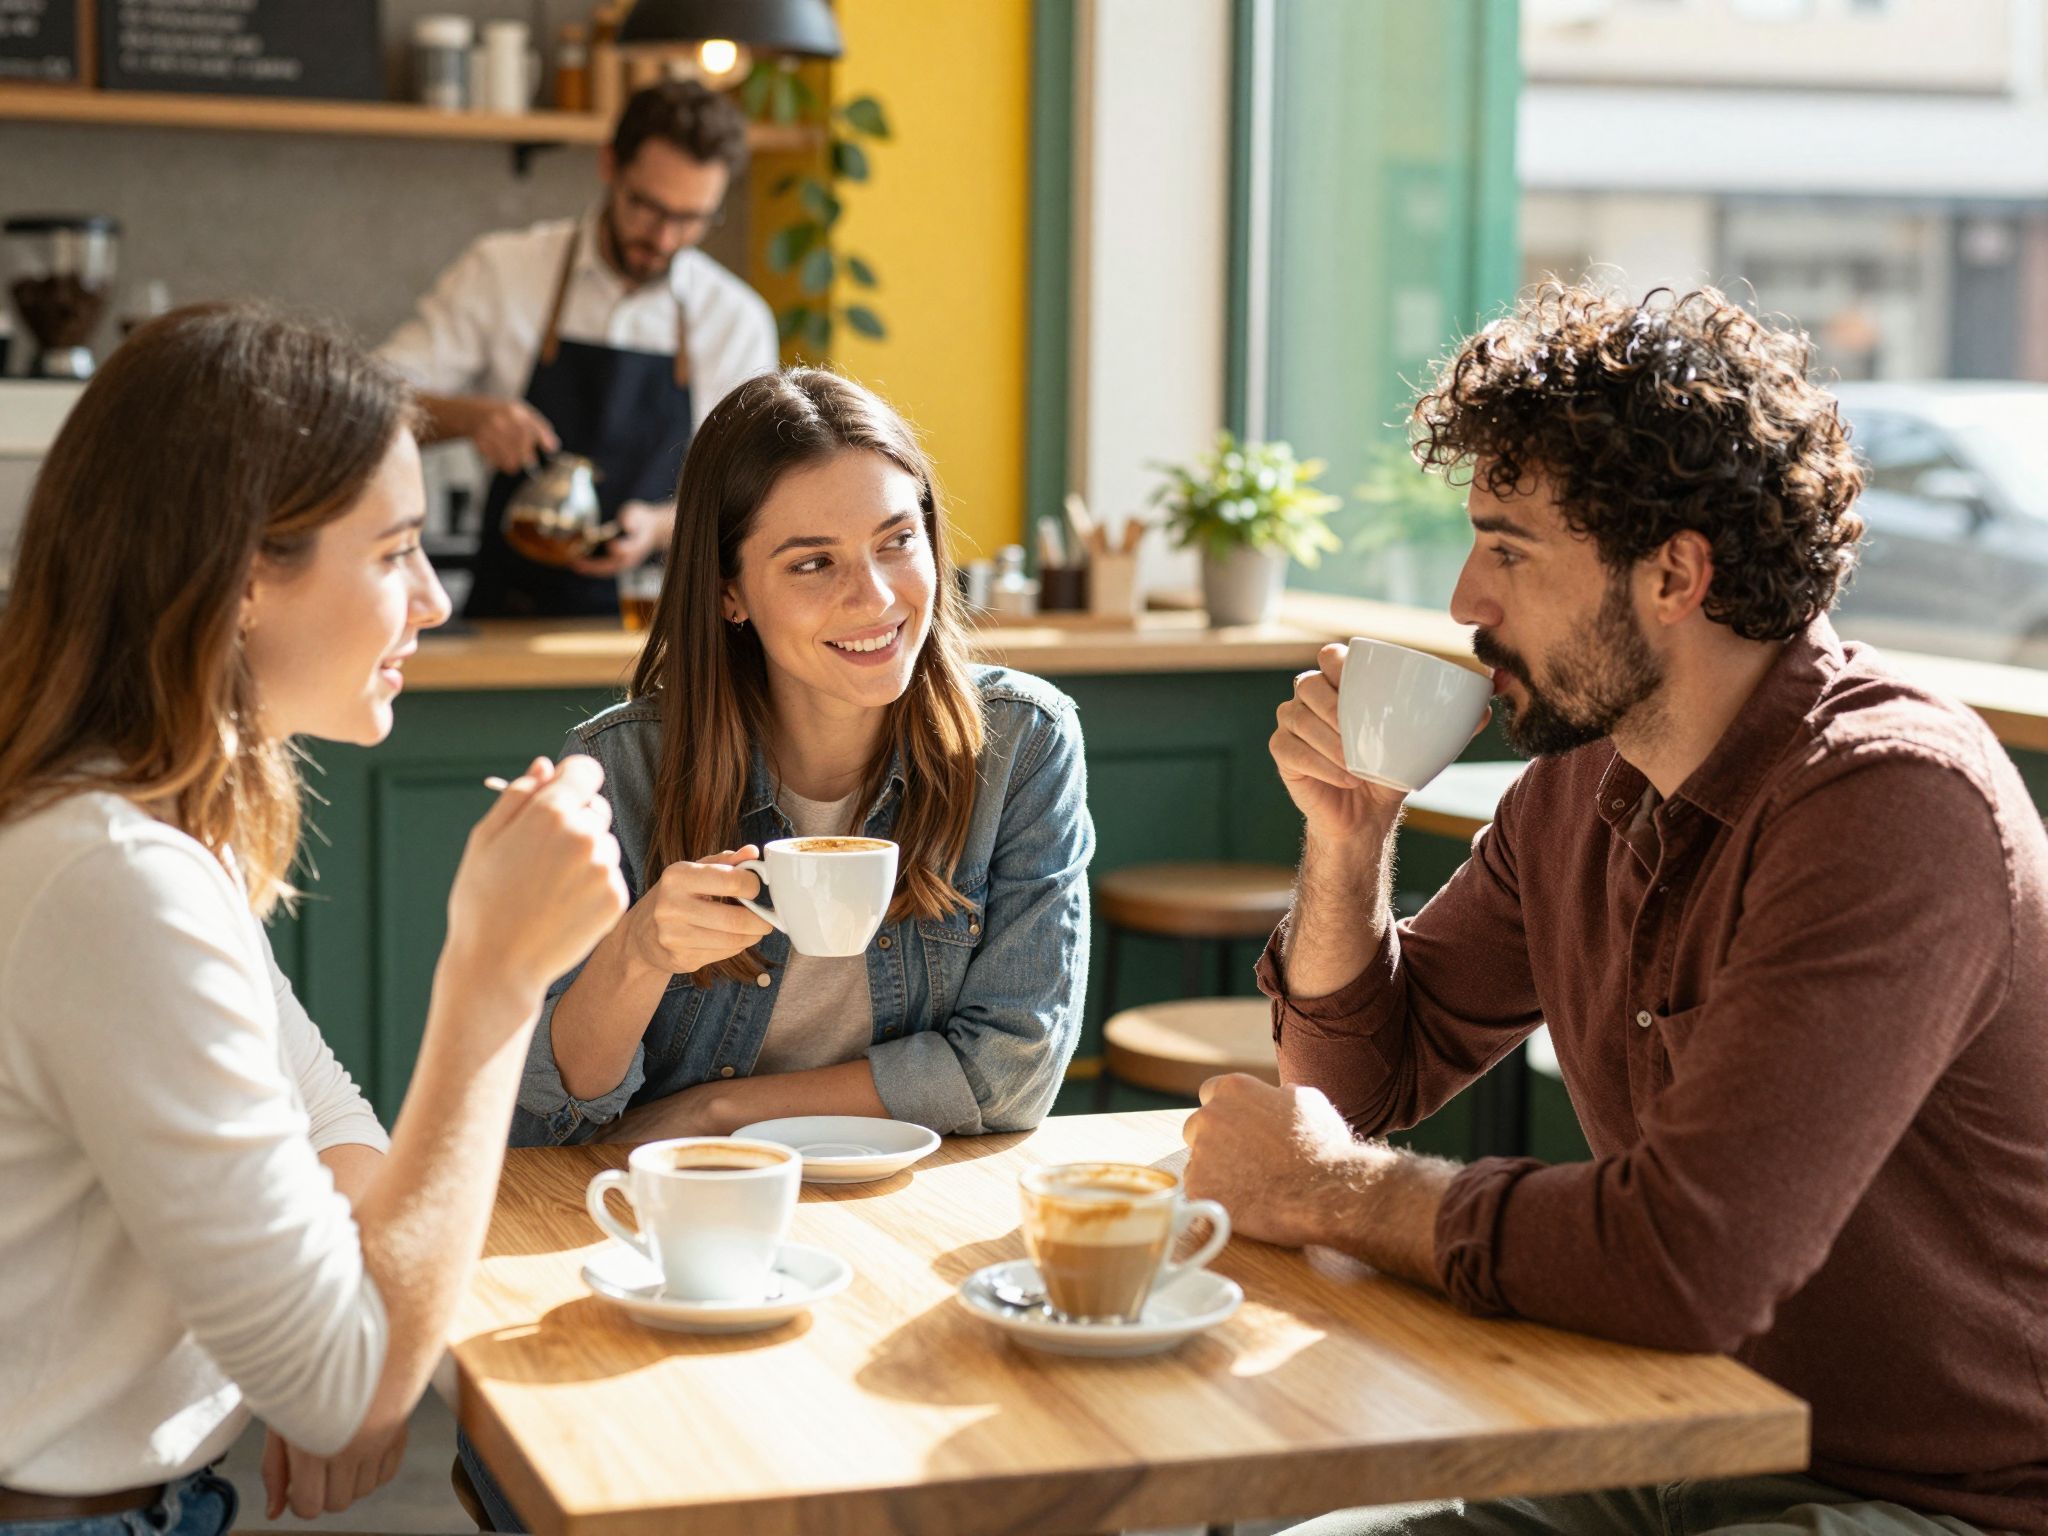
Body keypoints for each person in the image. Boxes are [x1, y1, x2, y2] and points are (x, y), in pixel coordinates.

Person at [1185, 285, 2048, 1536]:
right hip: (1660, 1431)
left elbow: (1684, 1263)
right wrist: (1344, 845)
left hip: (1923, 1499)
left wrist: (1332, 1193)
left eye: (1507, 548)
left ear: (1673, 575)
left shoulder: (1890, 805)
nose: (1463, 602)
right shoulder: (1584, 783)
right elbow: (1360, 1088)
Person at [0, 305, 627, 1535]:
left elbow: (324, 1111)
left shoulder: (149, 825)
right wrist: (496, 980)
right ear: (243, 578)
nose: (435, 602)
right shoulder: (113, 878)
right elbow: (347, 1394)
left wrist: (331, 1320)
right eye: (395, 553)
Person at [516, 367, 1095, 1148]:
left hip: (906, 1202)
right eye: (813, 563)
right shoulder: (620, 767)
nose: (878, 598)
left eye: (897, 541)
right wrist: (640, 951)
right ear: (731, 594)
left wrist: (715, 1113)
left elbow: (1013, 1072)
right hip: (679, 1208)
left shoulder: (1022, 744)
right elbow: (554, 1105)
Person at [380, 80, 777, 618]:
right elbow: (364, 403)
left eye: (690, 220)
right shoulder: (503, 270)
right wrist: (470, 417)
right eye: (647, 207)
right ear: (610, 166)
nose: (663, 239)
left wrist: (660, 528)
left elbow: (753, 496)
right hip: (511, 612)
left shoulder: (734, 318)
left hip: (663, 626)